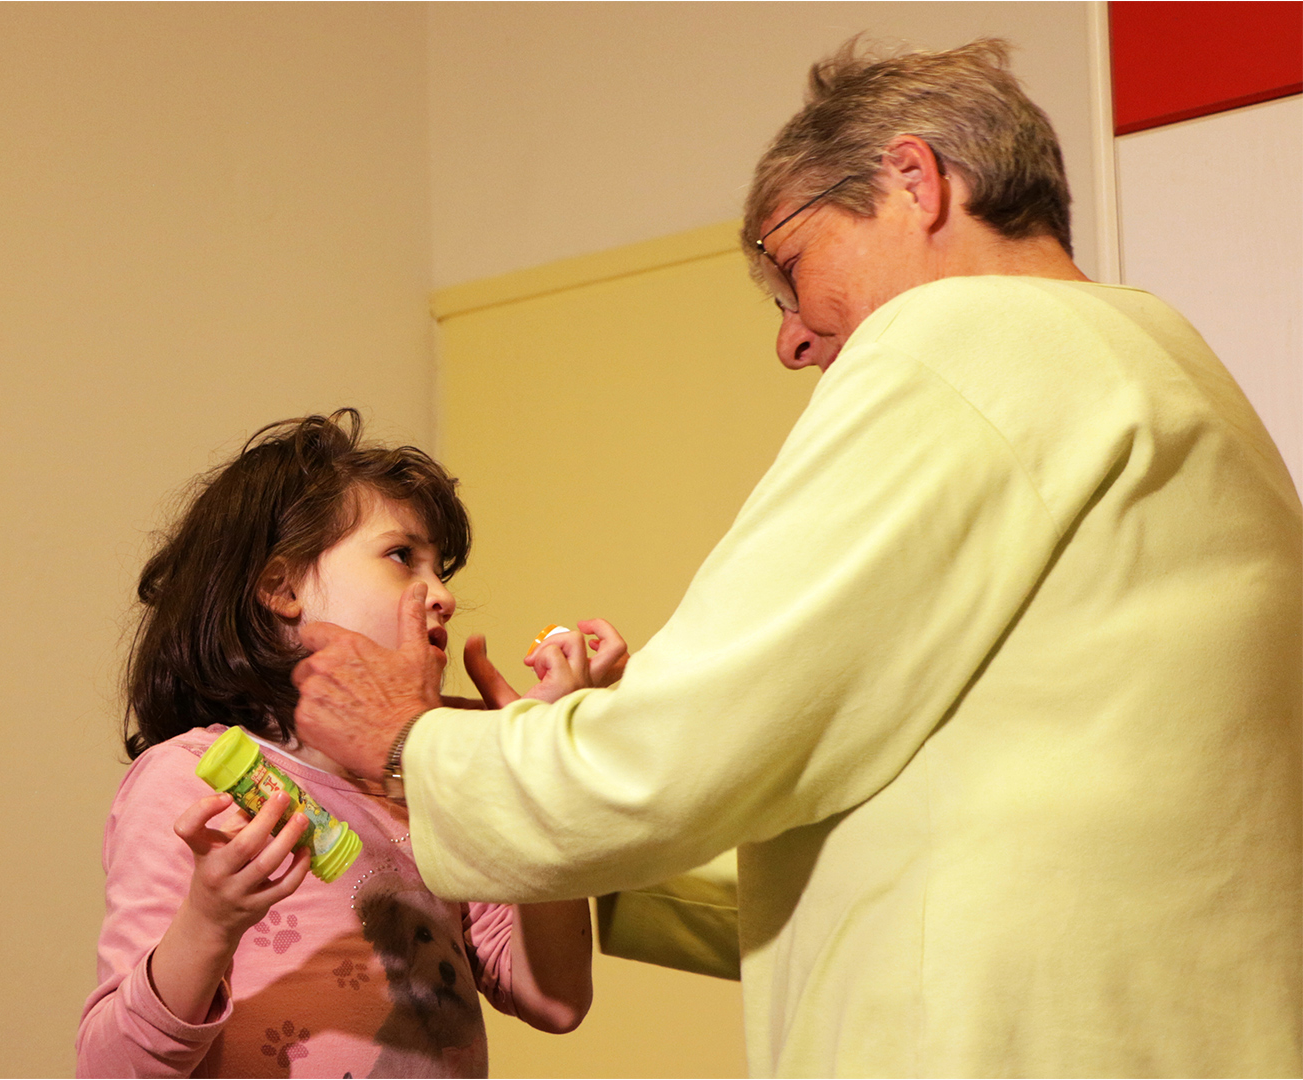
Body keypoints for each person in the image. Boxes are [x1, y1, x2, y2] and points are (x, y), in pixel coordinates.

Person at [289, 39, 1302, 1077]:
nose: (790, 340)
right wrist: (588, 827)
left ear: (914, 180)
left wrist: (414, 746)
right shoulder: (1178, 371)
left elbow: (690, 746)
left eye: (788, 266)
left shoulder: (961, 337)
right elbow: (904, 820)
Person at [76, 410, 622, 1077]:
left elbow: (555, 1000)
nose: (443, 596)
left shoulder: (430, 786)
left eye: (441, 569)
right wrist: (209, 923)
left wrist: (536, 774)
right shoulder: (191, 778)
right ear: (282, 588)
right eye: (403, 556)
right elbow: (109, 1068)